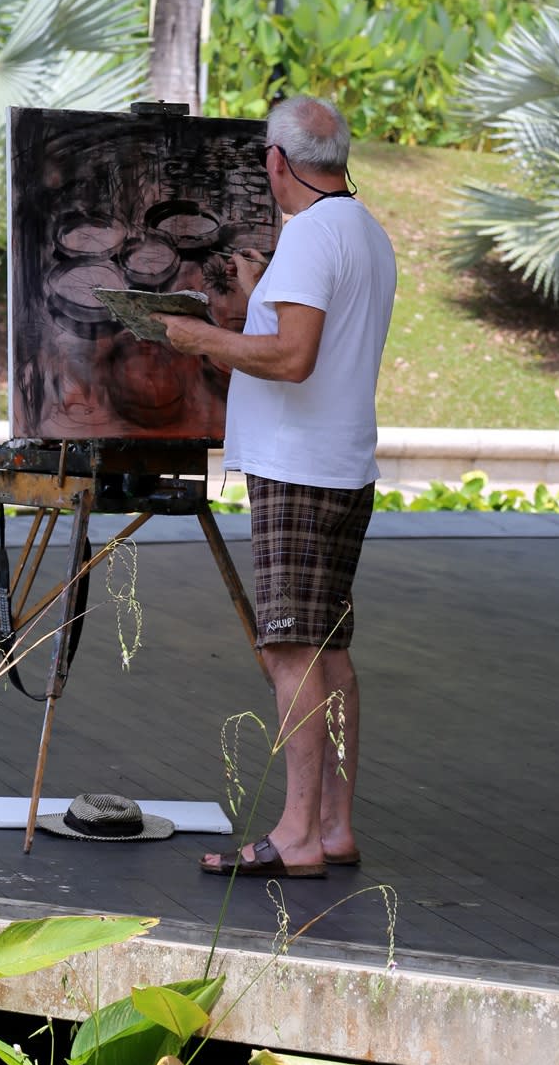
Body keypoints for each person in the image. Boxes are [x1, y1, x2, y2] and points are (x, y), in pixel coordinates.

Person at [159, 95, 396, 878]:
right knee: (331, 651)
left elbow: (291, 359)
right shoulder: (363, 231)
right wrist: (260, 291)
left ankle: (295, 835)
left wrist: (200, 337)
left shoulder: (310, 237)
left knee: (292, 648)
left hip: (297, 470)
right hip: (340, 463)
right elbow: (310, 339)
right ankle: (333, 828)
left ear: (276, 162)